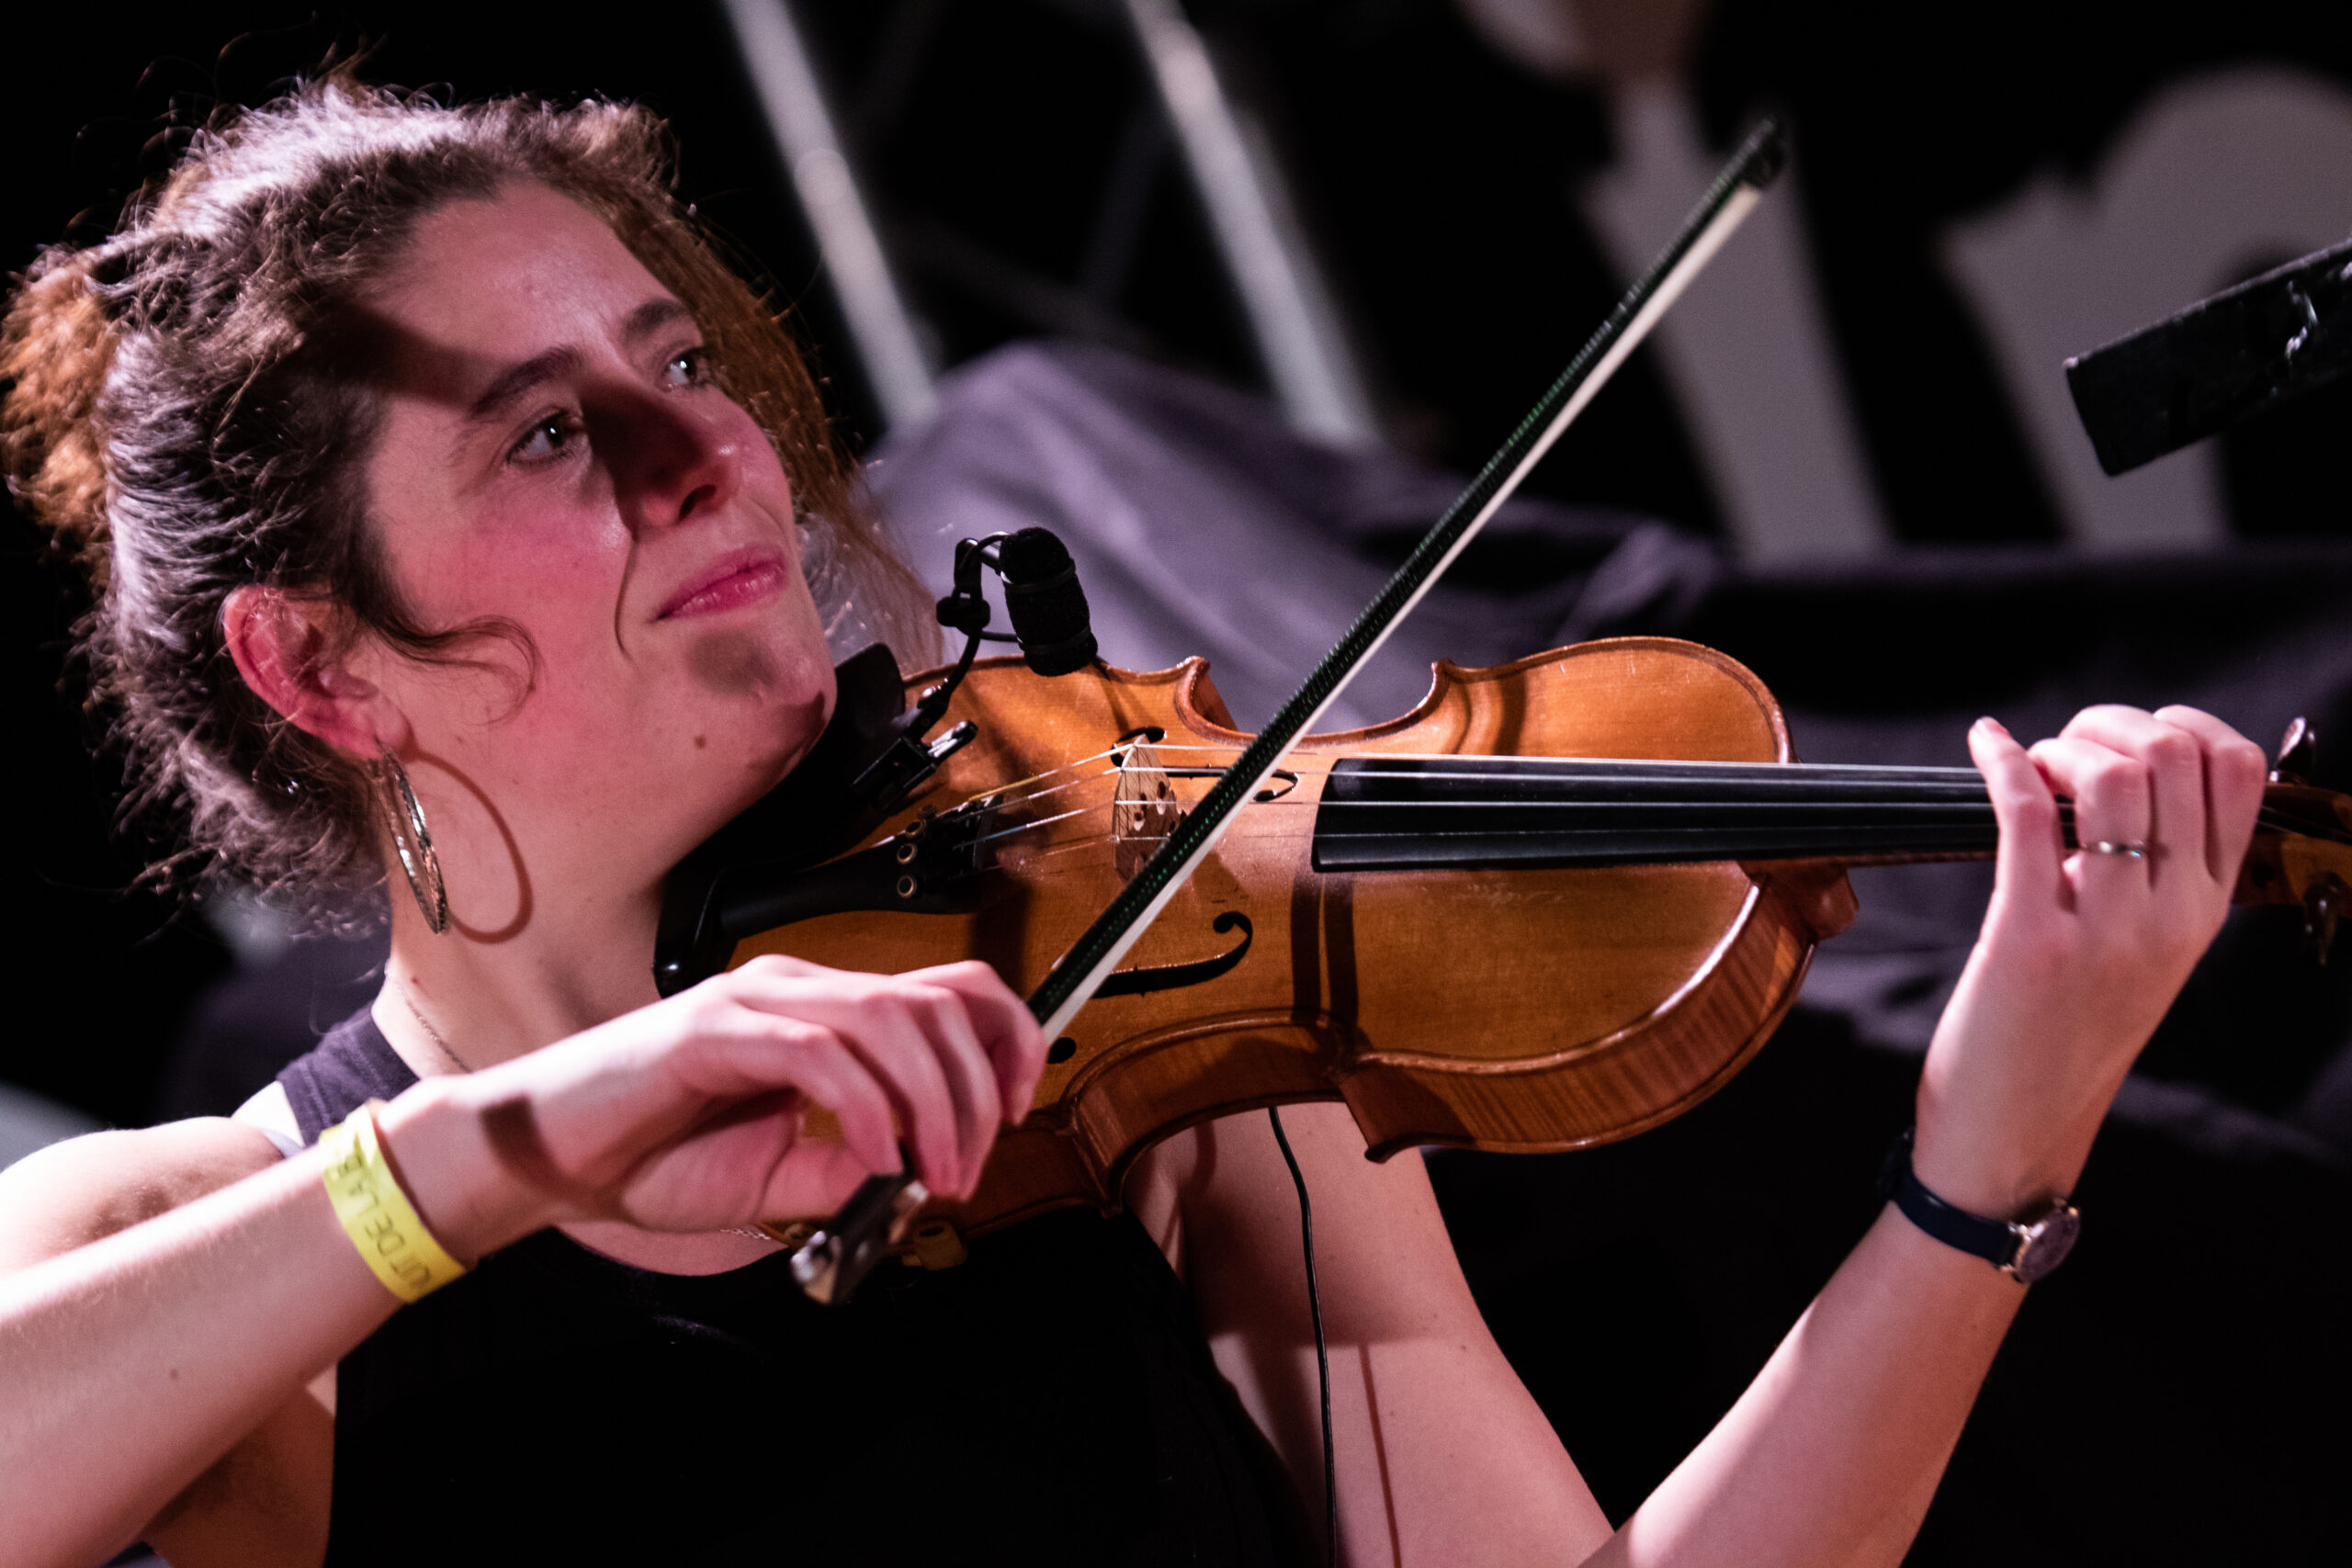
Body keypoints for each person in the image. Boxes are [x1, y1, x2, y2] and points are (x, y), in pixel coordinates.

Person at [0, 78, 2270, 1568]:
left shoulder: (1135, 1081)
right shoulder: (202, 1235)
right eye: (540, 435)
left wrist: (1980, 1166)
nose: (712, 463)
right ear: (319, 664)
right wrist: (518, 1139)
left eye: (677, 363)